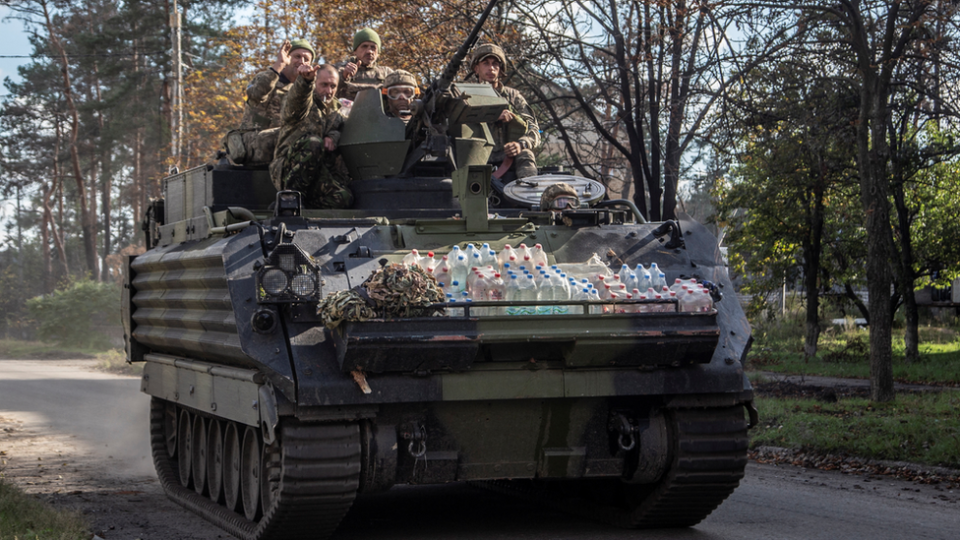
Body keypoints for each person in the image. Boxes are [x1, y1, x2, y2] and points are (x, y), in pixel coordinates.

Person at [270, 64, 353, 209]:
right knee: (313, 143)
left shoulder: (336, 110)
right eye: (324, 85)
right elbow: (297, 102)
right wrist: (305, 82)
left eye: (333, 86)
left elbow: (339, 128)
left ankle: (304, 206)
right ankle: (289, 198)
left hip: (316, 171)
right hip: (289, 167)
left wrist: (332, 137)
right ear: (315, 84)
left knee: (343, 198)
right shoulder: (304, 102)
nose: (329, 90)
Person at [225, 39, 316, 165]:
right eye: (297, 57)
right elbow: (256, 95)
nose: (301, 61)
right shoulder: (267, 78)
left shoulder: (306, 89)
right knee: (297, 136)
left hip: (285, 144)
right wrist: (279, 65)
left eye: (306, 59)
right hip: (255, 142)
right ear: (288, 58)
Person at [470, 43, 540, 180]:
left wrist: (520, 144)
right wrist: (490, 116)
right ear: (476, 68)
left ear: (501, 70)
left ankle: (527, 193)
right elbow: (454, 126)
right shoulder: (466, 96)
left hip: (508, 157)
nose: (491, 68)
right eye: (486, 63)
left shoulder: (513, 97)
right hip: (475, 154)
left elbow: (534, 130)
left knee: (526, 155)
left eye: (495, 64)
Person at [335, 28, 394, 101]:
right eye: (364, 46)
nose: (369, 51)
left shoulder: (387, 74)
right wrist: (343, 77)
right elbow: (325, 94)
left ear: (378, 53)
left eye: (373, 47)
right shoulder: (337, 70)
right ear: (355, 51)